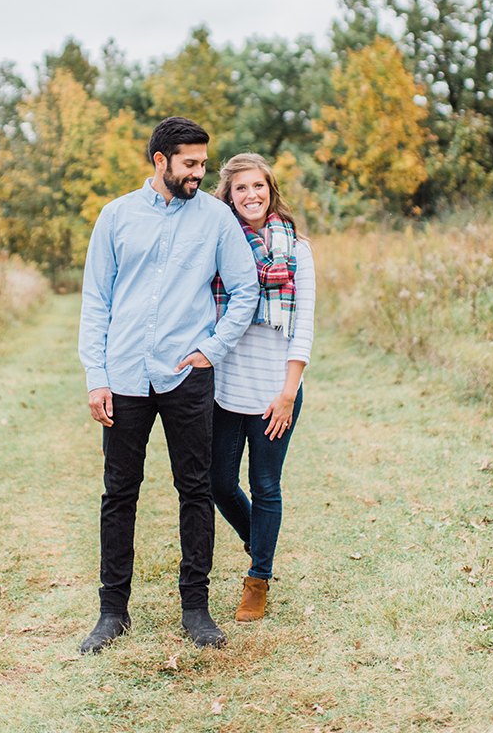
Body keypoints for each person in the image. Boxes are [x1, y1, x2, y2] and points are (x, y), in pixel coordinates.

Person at [78, 117, 259, 654]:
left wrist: (211, 351)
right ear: (160, 161)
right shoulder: (115, 217)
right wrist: (97, 377)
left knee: (196, 489)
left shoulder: (216, 220)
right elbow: (96, 302)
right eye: (190, 164)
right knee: (119, 493)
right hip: (126, 375)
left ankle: (195, 610)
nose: (200, 173)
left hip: (186, 375)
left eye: (204, 164)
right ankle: (113, 613)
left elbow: (245, 290)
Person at [210, 152, 315, 623]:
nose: (251, 195)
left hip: (276, 388)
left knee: (265, 484)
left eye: (259, 187)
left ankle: (258, 579)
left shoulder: (298, 250)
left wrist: (289, 392)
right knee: (218, 482)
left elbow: (304, 327)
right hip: (227, 388)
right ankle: (262, 538)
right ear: (228, 198)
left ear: (270, 192)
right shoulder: (217, 248)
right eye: (241, 189)